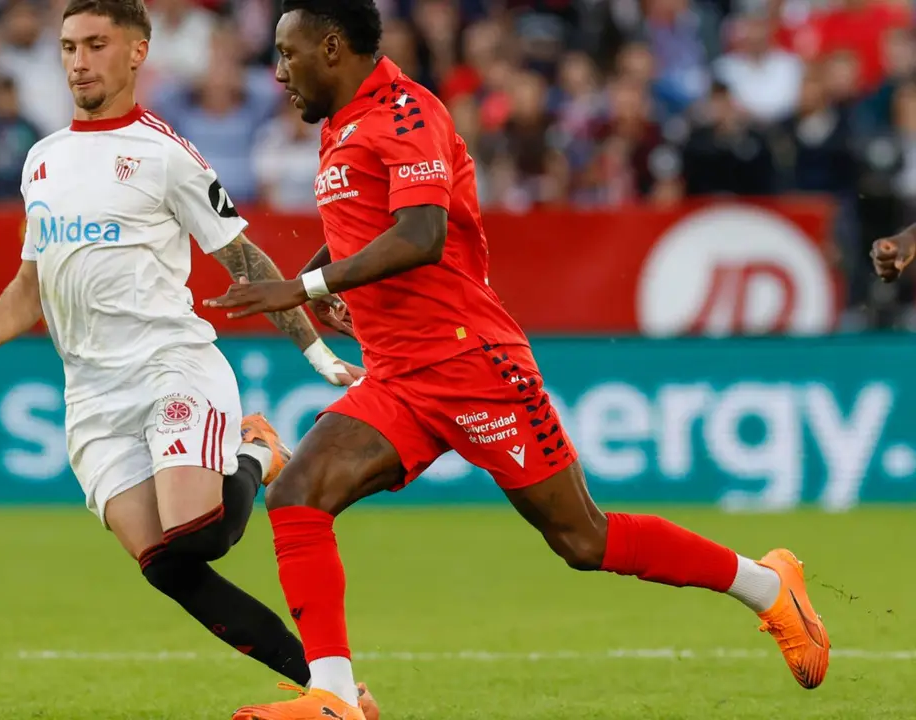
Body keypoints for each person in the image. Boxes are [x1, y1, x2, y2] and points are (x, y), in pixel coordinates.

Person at [207, 2, 832, 718]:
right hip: (400, 376)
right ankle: (334, 697)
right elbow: (365, 225)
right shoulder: (339, 124)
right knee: (298, 496)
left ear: (331, 47)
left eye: (287, 54)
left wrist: (305, 286)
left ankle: (767, 586)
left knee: (582, 539)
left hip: (472, 363)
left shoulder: (407, 113)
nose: (277, 72)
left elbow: (421, 235)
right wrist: (326, 277)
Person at [0, 3, 379, 715]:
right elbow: (32, 279)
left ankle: (254, 451)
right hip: (90, 397)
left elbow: (246, 259)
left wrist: (318, 353)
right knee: (166, 567)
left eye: (95, 44)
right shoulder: (42, 158)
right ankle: (330, 694)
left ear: (137, 52)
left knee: (198, 533)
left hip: (168, 367)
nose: (78, 61)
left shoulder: (164, 153)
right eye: (68, 47)